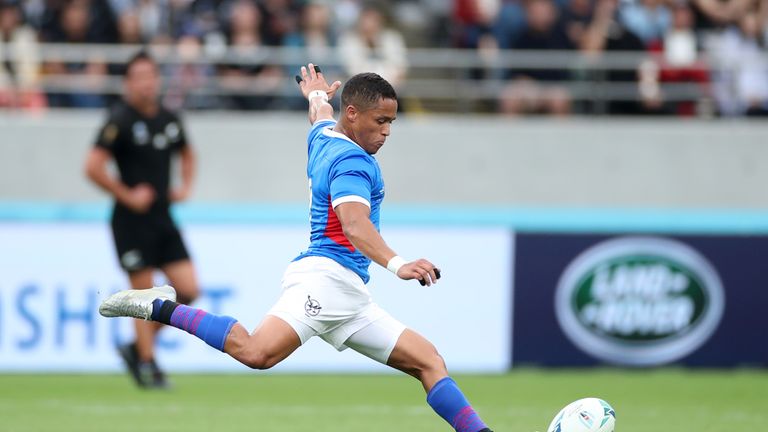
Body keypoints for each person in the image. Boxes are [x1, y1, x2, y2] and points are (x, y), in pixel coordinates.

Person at [99, 63, 494, 432]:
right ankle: (159, 307)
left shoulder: (325, 137)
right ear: (353, 114)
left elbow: (321, 116)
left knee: (429, 362)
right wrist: (398, 264)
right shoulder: (353, 163)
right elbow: (355, 225)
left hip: (350, 293)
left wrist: (317, 97)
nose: (387, 131)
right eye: (381, 121)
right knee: (256, 352)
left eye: (391, 122)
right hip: (324, 282)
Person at [85, 50, 200, 389]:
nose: (147, 83)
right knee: (145, 294)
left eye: (151, 75)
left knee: (189, 289)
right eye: (139, 77)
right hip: (131, 221)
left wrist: (185, 186)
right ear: (128, 83)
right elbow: (93, 166)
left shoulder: (169, 118)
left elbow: (188, 153)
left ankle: (138, 347)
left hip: (163, 216)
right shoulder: (119, 120)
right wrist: (127, 195)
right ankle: (149, 365)